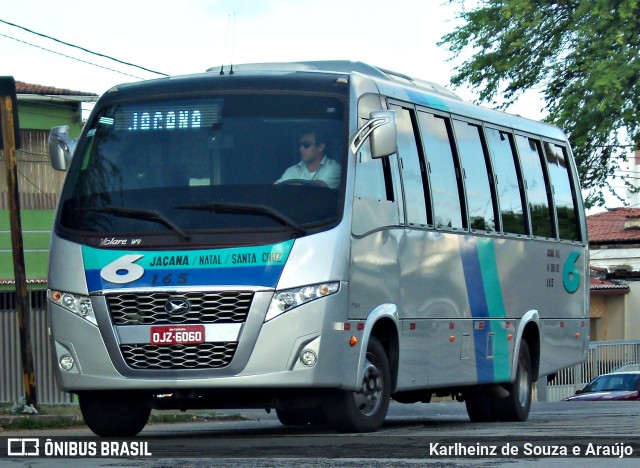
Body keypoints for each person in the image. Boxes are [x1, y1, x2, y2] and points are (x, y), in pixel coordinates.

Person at [275, 131, 341, 189]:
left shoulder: (334, 168)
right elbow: (276, 188)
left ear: (320, 147)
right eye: (300, 145)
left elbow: (322, 186)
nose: (301, 149)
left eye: (306, 145)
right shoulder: (292, 170)